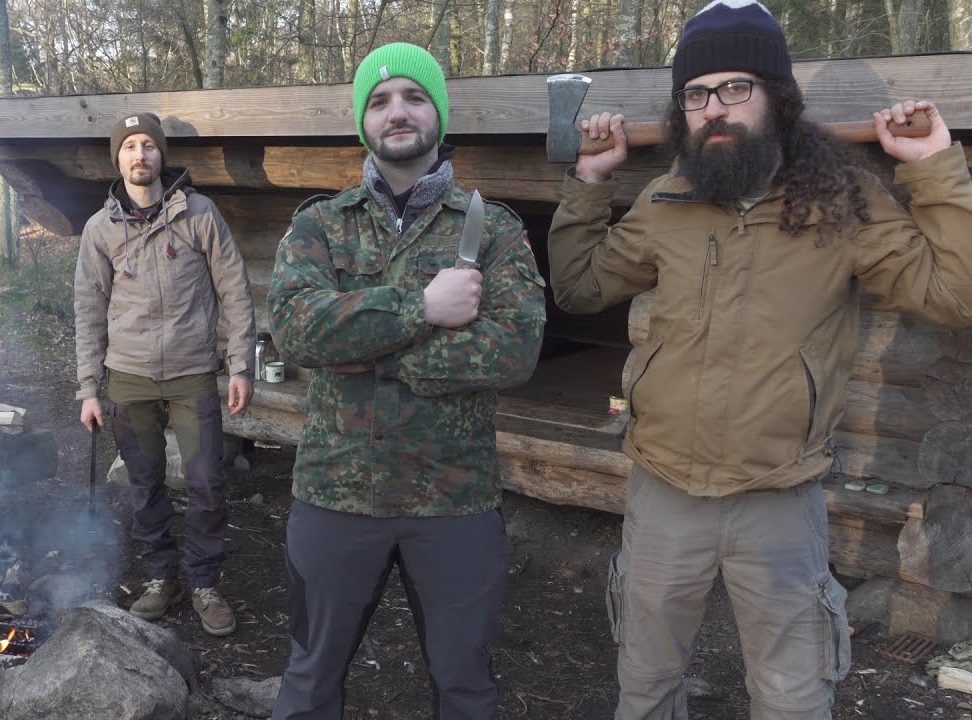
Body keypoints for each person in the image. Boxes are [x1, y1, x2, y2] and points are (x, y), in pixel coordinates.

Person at [547, 1, 972, 717]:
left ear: (779, 97)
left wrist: (933, 170)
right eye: (696, 94)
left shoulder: (842, 201)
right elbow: (580, 286)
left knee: (792, 697)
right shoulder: (666, 199)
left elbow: (954, 294)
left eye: (735, 88)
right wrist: (590, 182)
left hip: (779, 499)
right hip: (662, 493)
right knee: (646, 687)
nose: (715, 109)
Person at [267, 43, 549, 719]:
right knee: (309, 683)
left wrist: (371, 353)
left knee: (465, 688)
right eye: (380, 100)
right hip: (337, 494)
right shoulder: (320, 226)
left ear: (438, 115)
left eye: (414, 97)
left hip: (453, 501)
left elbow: (516, 350)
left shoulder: (494, 229)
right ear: (363, 122)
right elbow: (296, 330)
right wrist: (422, 310)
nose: (398, 111)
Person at [74, 111, 256, 637]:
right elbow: (88, 310)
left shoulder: (199, 214)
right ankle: (161, 578)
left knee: (206, 482)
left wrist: (240, 364)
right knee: (144, 483)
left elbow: (236, 291)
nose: (139, 155)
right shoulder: (99, 229)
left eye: (148, 145)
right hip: (127, 376)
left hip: (192, 371)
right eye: (129, 146)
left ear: (161, 155)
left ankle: (203, 582)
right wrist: (88, 388)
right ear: (119, 158)